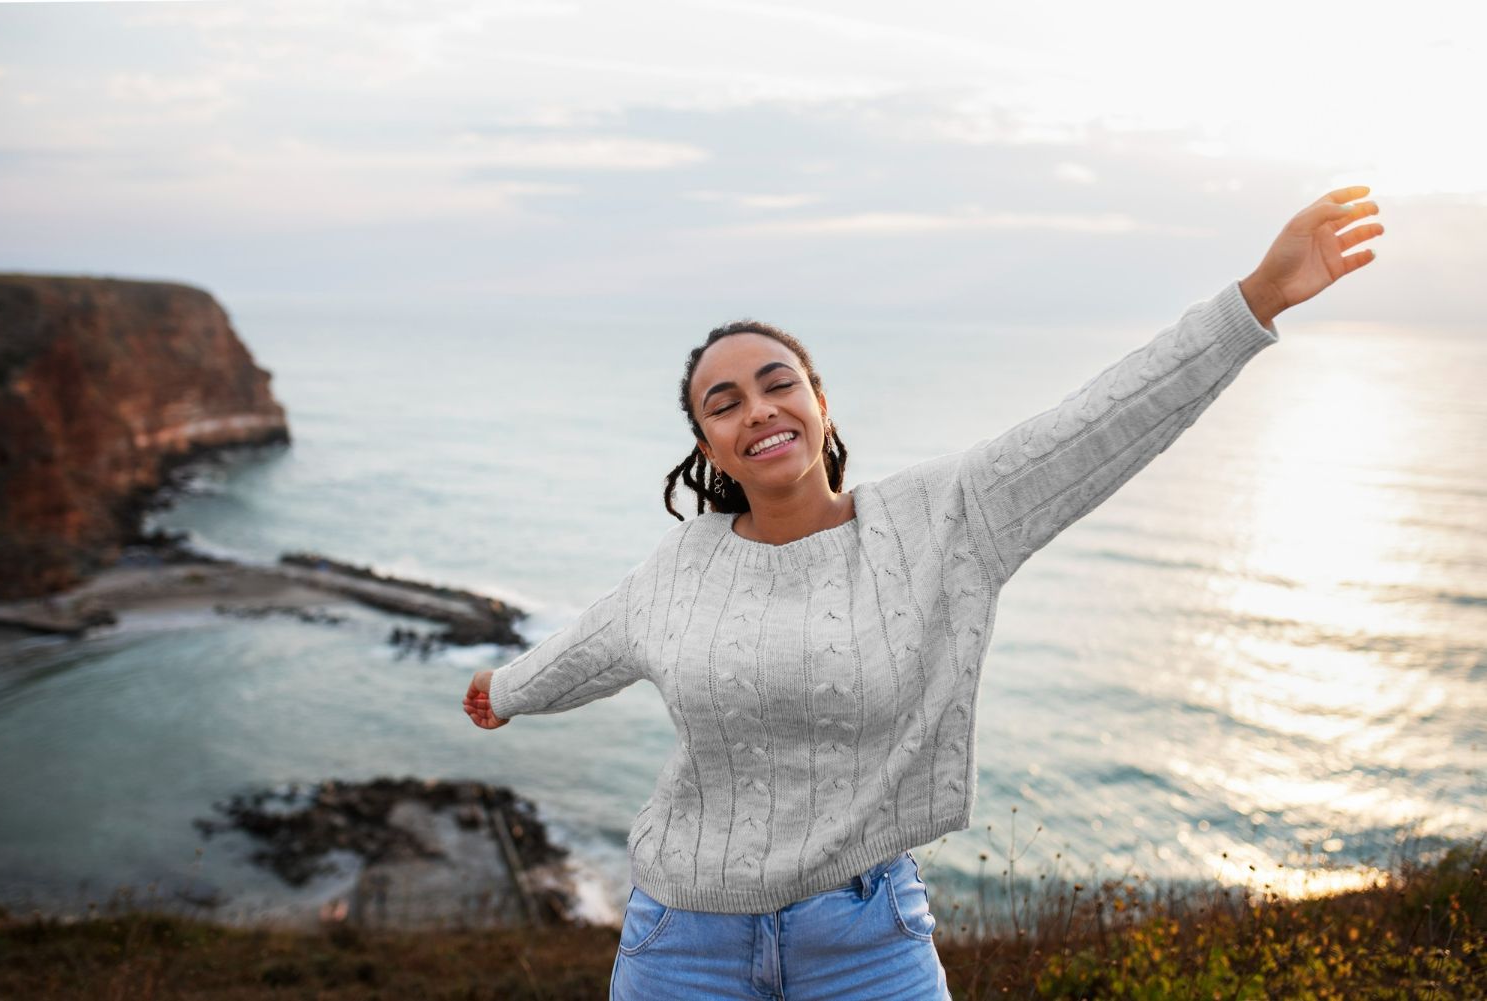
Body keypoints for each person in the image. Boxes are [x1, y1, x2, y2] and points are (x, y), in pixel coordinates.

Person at [463, 186, 1383, 999]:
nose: (759, 410)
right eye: (725, 402)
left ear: (820, 404)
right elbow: (588, 645)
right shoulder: (677, 569)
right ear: (710, 447)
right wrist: (502, 692)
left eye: (778, 384)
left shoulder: (945, 517)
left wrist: (1255, 301)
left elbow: (1097, 423)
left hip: (866, 943)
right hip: (682, 943)